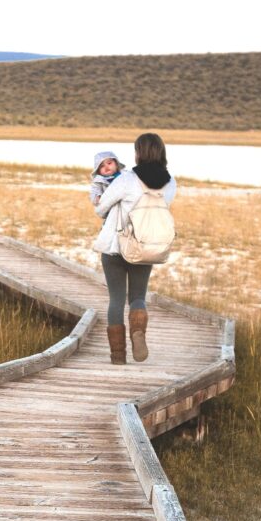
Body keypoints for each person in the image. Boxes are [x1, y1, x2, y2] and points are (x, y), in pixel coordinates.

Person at [92, 132, 176, 365]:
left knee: (116, 300)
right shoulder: (170, 181)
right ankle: (138, 332)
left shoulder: (127, 179)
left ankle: (118, 356)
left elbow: (100, 209)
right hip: (146, 247)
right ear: (161, 151)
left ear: (138, 152)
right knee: (138, 297)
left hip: (116, 247)